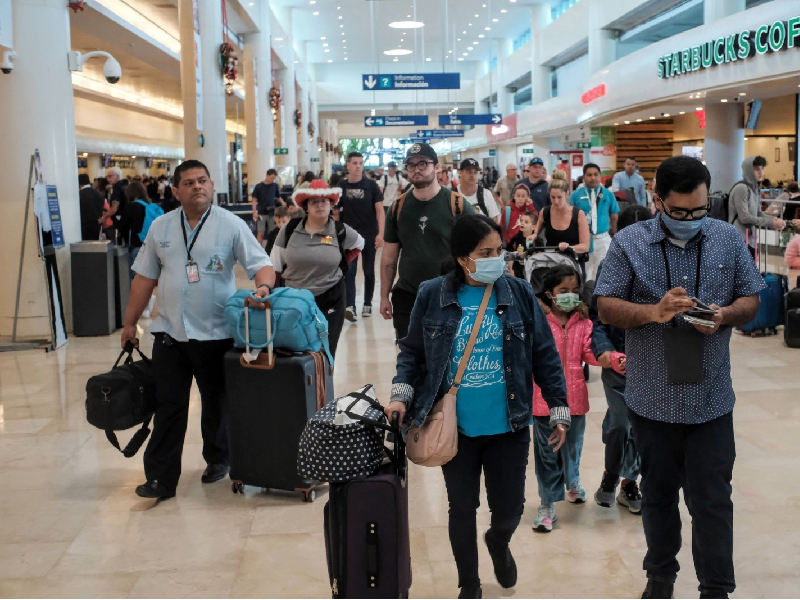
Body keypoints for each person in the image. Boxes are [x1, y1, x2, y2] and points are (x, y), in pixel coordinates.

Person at [595, 155, 766, 599]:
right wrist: (653, 312)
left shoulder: (728, 239)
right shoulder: (629, 242)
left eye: (699, 210)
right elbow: (606, 304)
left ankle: (715, 587)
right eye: (680, 211)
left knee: (712, 501)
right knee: (658, 497)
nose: (691, 219)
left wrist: (726, 314)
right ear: (658, 200)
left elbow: (751, 298)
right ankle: (660, 578)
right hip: (653, 399)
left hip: (711, 400)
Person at [384, 214, 569, 599]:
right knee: (461, 507)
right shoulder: (432, 294)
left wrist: (558, 407)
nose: (495, 259)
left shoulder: (517, 292)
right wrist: (400, 395)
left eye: (498, 251)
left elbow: (544, 354)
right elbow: (412, 353)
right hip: (455, 428)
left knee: (510, 510)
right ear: (462, 257)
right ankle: (468, 582)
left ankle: (498, 542)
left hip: (509, 426)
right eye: (485, 252)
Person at [122, 159, 276, 500]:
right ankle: (161, 479)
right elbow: (144, 278)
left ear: (211, 184)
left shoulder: (230, 224)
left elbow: (261, 263)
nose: (197, 187)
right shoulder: (161, 227)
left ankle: (218, 458)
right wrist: (131, 322)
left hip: (216, 333)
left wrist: (263, 289)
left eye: (202, 180)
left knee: (216, 402)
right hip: (169, 333)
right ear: (176, 191)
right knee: (168, 405)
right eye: (189, 182)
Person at [590, 205, 653, 514]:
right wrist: (604, 351)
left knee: (642, 427)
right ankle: (610, 474)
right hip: (618, 362)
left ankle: (629, 481)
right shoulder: (609, 267)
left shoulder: (664, 267)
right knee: (619, 424)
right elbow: (596, 318)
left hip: (653, 365)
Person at [531, 264, 599, 533]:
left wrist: (611, 357)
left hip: (576, 401)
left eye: (574, 290)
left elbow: (590, 354)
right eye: (563, 291)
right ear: (549, 293)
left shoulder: (583, 322)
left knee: (573, 448)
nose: (570, 296)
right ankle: (547, 504)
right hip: (543, 400)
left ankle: (573, 481)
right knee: (547, 454)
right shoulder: (538, 320)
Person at [270, 180, 364, 358]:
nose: (320, 205)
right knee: (294, 352)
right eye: (314, 202)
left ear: (331, 205)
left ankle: (324, 386)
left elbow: (360, 244)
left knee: (325, 353)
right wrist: (271, 297)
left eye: (324, 201)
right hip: (293, 299)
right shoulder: (290, 229)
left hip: (331, 298)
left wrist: (340, 263)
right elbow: (275, 265)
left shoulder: (340, 230)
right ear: (306, 207)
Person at [338, 152, 385, 321]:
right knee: (349, 272)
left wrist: (381, 233)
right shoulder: (341, 186)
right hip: (349, 237)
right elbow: (336, 212)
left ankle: (368, 303)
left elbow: (380, 211)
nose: (358, 165)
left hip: (369, 234)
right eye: (355, 163)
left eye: (360, 162)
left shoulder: (371, 186)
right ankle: (350, 306)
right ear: (348, 165)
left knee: (369, 271)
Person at [569, 163, 619, 280]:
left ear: (600, 176)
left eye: (596, 174)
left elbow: (614, 217)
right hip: (583, 241)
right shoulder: (575, 196)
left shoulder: (608, 194)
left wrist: (615, 236)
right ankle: (586, 297)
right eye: (589, 175)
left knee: (603, 275)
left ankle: (599, 298)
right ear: (584, 177)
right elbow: (570, 218)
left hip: (603, 240)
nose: (593, 178)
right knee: (584, 274)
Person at [728, 155, 786, 257]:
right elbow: (744, 217)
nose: (761, 172)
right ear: (748, 170)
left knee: (751, 270)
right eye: (756, 169)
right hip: (739, 239)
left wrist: (774, 220)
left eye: (762, 168)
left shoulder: (754, 189)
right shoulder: (741, 188)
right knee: (742, 272)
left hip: (750, 238)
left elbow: (758, 213)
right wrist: (770, 222)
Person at [532, 170, 591, 257]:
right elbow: (536, 232)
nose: (556, 201)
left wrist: (569, 247)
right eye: (553, 197)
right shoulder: (545, 212)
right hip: (551, 262)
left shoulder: (578, 214)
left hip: (572, 262)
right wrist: (533, 235)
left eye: (559, 197)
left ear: (567, 194)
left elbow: (585, 246)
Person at [120, 181, 163, 282]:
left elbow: (122, 226)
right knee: (146, 278)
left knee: (132, 277)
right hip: (151, 246)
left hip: (136, 246)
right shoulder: (150, 206)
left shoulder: (131, 207)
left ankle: (133, 297)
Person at [458, 158, 501, 223]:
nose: (472, 175)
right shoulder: (452, 195)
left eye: (475, 172)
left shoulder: (486, 194)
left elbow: (494, 222)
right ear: (460, 173)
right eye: (469, 172)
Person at [251, 169, 283, 246]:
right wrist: (254, 212)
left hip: (272, 212)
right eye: (271, 178)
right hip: (261, 212)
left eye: (274, 178)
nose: (272, 180)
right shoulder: (258, 187)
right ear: (267, 176)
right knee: (260, 232)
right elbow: (254, 200)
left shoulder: (275, 186)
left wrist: (283, 203)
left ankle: (272, 247)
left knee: (272, 232)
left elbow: (278, 197)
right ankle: (259, 248)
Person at [505, 212, 536, 279]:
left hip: (532, 273)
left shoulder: (537, 240)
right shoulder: (516, 237)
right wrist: (511, 271)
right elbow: (509, 252)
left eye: (526, 222)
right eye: (521, 221)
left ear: (533, 227)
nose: (522, 223)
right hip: (518, 272)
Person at [79, 173, 105, 240]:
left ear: (79, 183)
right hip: (97, 224)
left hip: (84, 226)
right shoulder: (99, 193)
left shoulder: (79, 195)